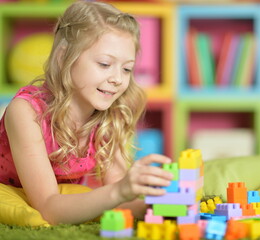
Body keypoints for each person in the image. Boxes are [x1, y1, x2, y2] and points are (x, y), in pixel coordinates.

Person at [0, 1, 173, 225]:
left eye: (127, 68)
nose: (118, 79)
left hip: (62, 199)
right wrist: (119, 191)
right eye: (104, 64)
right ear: (64, 58)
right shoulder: (25, 112)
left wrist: (150, 207)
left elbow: (118, 196)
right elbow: (48, 208)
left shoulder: (111, 115)